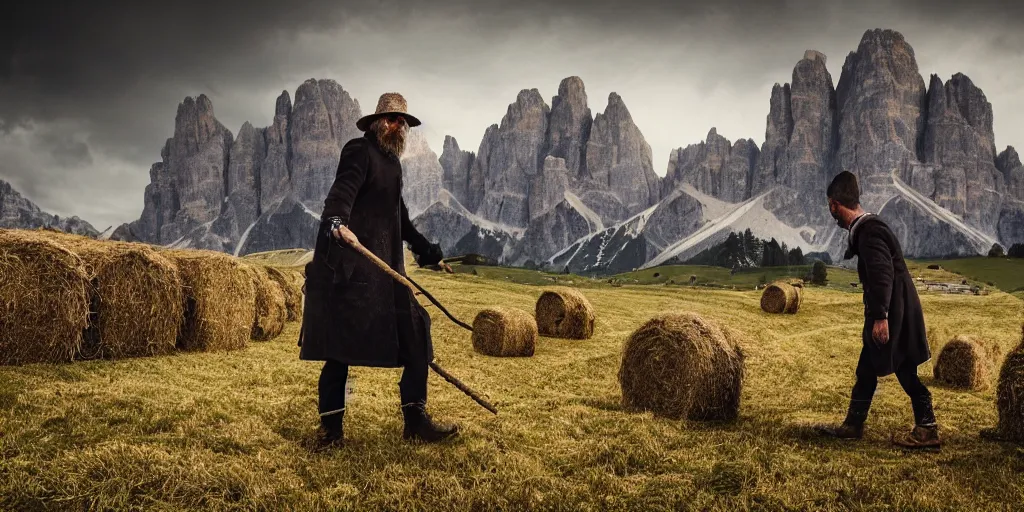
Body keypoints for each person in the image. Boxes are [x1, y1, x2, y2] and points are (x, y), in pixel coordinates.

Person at [299, 92, 457, 449]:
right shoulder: (359, 150)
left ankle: (415, 421)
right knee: (339, 352)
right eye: (391, 119)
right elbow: (342, 192)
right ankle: (330, 432)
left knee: (417, 331)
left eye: (403, 122)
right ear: (376, 123)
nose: (397, 126)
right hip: (351, 271)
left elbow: (399, 217)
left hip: (385, 272)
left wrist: (428, 253)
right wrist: (337, 220)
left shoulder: (393, 165)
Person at [816, 171, 940, 449]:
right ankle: (853, 425)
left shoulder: (869, 232)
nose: (830, 212)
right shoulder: (868, 228)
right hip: (895, 308)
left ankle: (927, 428)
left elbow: (882, 274)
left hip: (893, 312)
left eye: (830, 206)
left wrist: (881, 317)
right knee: (868, 367)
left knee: (904, 369)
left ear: (835, 204)